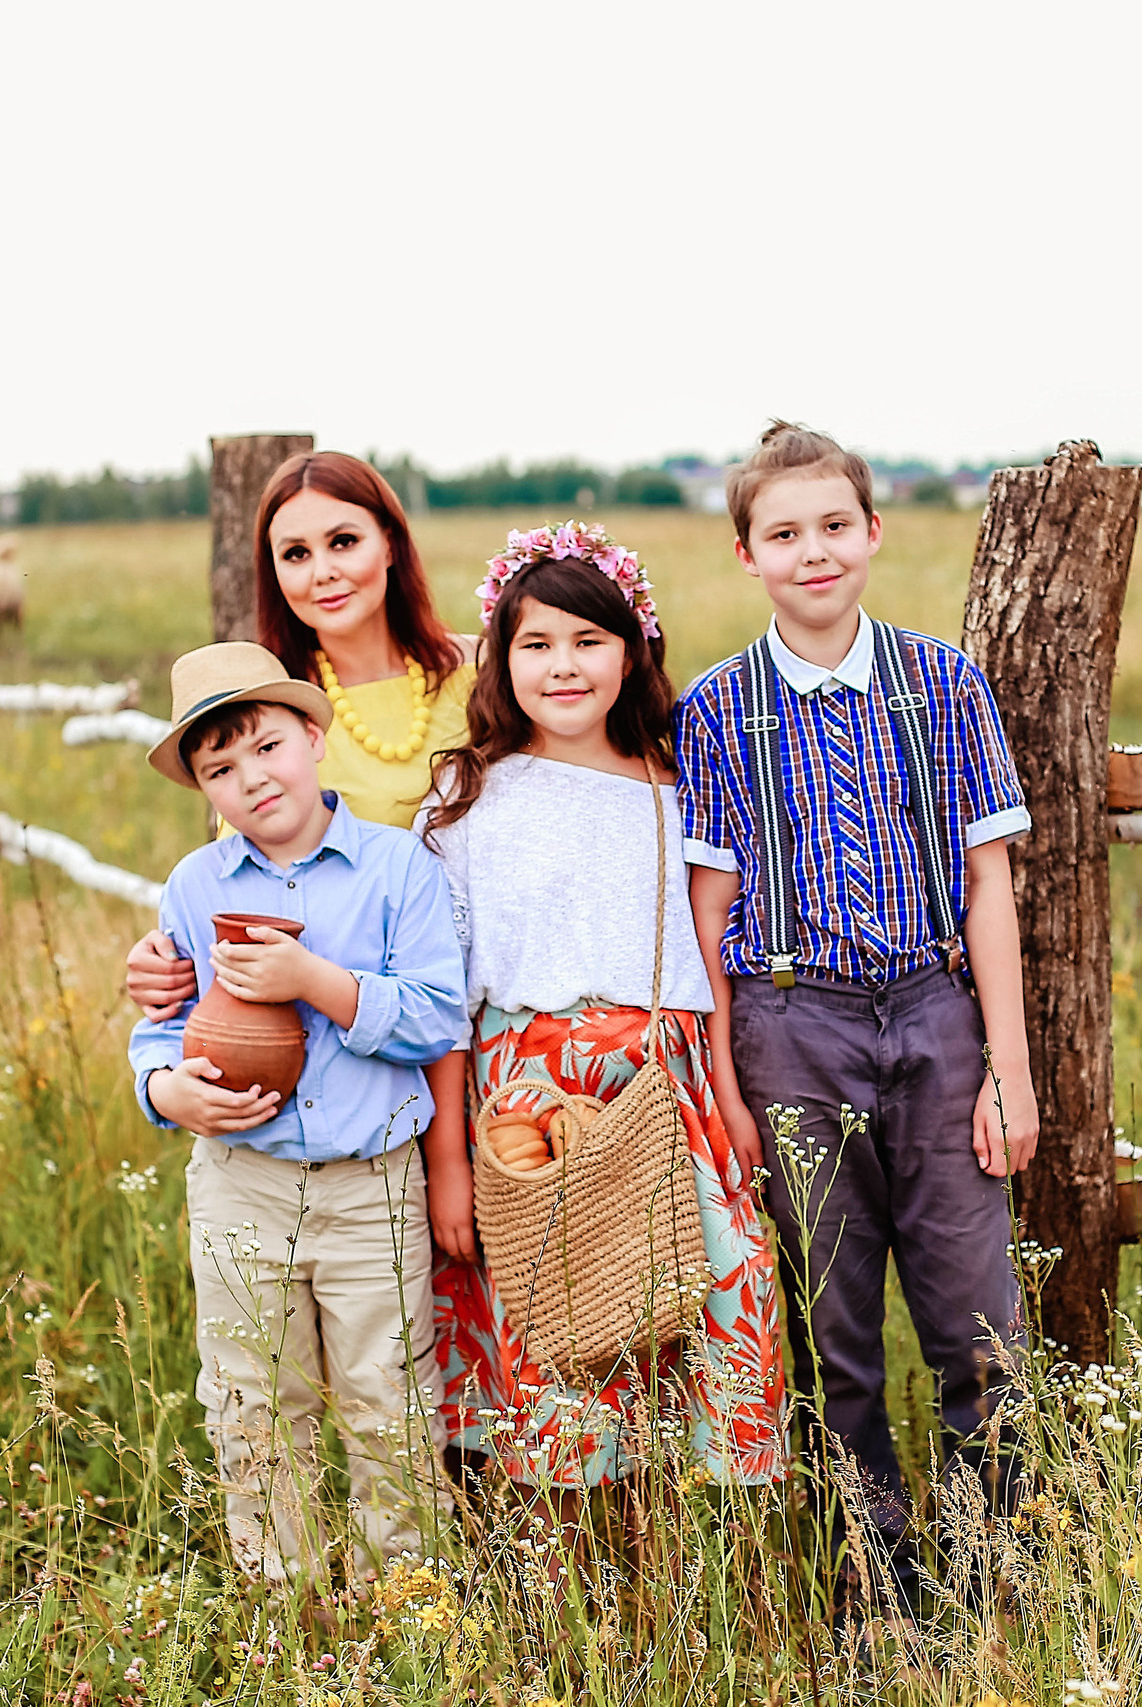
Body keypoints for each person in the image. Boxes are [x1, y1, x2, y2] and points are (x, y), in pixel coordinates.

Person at [677, 423, 1038, 1620]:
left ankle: (996, 1582)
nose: (813, 551)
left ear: (873, 533)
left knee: (975, 1312)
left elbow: (989, 885)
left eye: (834, 526)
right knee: (833, 1322)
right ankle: (877, 1580)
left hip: (935, 1014)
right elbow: (707, 914)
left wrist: (1007, 1070)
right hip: (792, 1024)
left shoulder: (944, 682)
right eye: (783, 533)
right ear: (747, 555)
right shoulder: (718, 710)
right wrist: (728, 1087)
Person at [417, 522, 784, 1493]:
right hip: (525, 1104)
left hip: (667, 1090)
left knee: (708, 1289)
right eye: (536, 645)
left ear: (633, 651)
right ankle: (572, 1575)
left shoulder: (679, 786)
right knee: (560, 1330)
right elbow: (444, 1000)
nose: (564, 667)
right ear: (501, 659)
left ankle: (695, 1554)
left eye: (588, 641)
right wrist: (448, 1165)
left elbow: (712, 965)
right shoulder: (465, 798)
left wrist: (734, 1099)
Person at [129, 640, 469, 1581]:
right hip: (244, 1182)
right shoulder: (197, 886)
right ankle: (288, 1612)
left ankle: (406, 1602)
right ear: (204, 789)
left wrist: (316, 981)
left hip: (372, 1187)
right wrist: (167, 1088)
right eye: (220, 769)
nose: (250, 778)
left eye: (267, 747)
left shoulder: (398, 866)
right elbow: (162, 1026)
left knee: (388, 1396)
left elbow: (439, 1014)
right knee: (251, 1397)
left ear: (314, 736)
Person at [127, 450, 477, 1015]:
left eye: (343, 541)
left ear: (389, 541)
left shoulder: (483, 677)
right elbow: (241, 888)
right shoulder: (269, 719)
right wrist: (165, 961)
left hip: (489, 1011)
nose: (322, 572)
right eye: (295, 554)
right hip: (348, 1032)